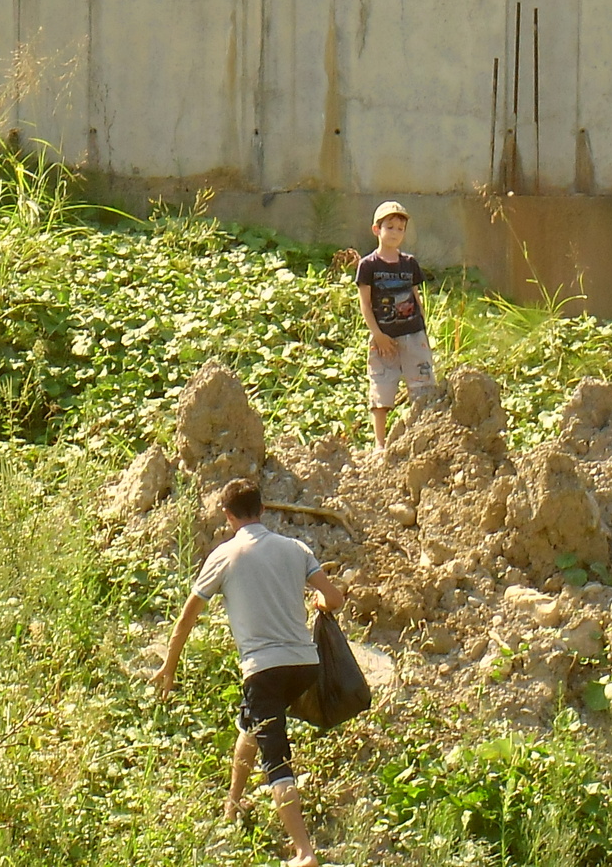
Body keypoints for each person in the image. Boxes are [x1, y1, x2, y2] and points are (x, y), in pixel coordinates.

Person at [151, 477, 345, 867]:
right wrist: (319, 606)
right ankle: (232, 804)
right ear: (262, 510)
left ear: (227, 515)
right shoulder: (296, 548)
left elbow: (186, 620)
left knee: (276, 759)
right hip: (305, 665)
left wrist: (168, 668)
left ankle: (305, 852)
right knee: (251, 726)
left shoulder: (224, 556)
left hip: (264, 669)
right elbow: (334, 598)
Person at [355, 200, 437, 450]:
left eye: (400, 229)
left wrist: (423, 330)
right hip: (384, 340)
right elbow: (366, 305)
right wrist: (377, 335)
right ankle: (380, 445)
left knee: (423, 388)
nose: (395, 233)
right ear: (376, 230)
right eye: (390, 227)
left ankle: (422, 439)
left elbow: (415, 296)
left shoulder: (409, 263)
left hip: (413, 335)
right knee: (381, 390)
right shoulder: (368, 265)